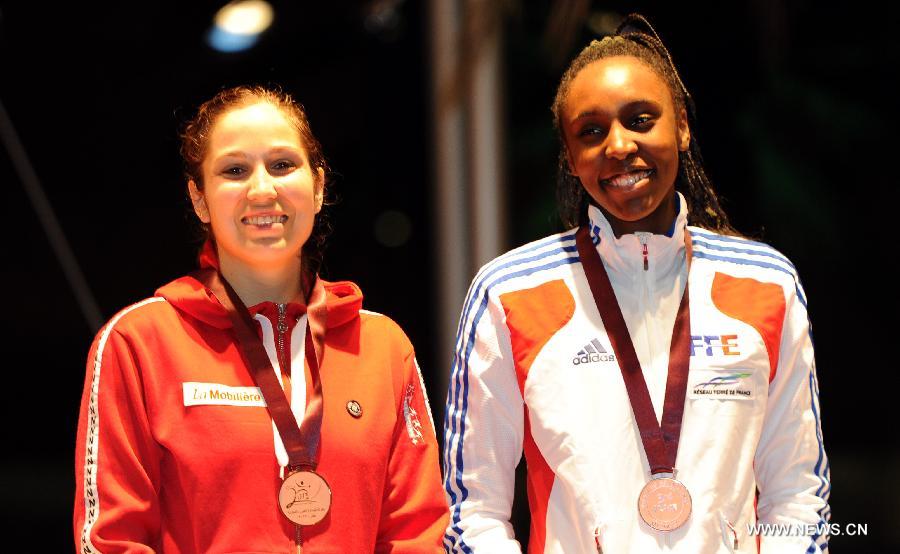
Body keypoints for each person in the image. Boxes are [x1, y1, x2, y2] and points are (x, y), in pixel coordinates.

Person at [442, 14, 830, 554]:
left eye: (641, 119)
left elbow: (799, 493)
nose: (619, 146)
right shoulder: (507, 295)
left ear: (683, 128)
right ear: (571, 157)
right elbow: (472, 510)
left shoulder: (765, 284)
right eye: (591, 132)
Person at [73, 85, 448, 553]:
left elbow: (419, 534)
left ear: (318, 186)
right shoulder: (138, 343)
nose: (262, 189)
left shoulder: (383, 347)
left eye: (282, 165)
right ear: (200, 198)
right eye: (234, 170)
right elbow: (113, 540)